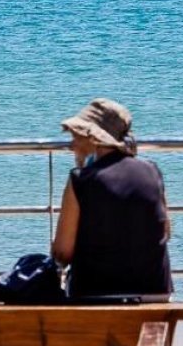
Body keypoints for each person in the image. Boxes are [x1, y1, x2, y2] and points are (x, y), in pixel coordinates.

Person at [52, 98, 173, 300]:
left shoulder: (80, 179)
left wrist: (54, 250)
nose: (72, 145)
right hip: (156, 293)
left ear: (93, 138)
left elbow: (64, 253)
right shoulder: (152, 171)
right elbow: (166, 232)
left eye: (76, 136)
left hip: (97, 296)